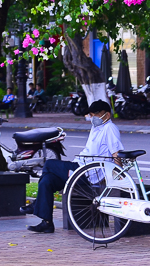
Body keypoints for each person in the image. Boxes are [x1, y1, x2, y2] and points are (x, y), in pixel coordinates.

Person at [21, 99, 123, 233]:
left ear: (107, 115)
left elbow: (117, 154)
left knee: (49, 164)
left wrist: (119, 176)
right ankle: (47, 223)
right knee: (47, 181)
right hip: (80, 167)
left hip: (88, 173)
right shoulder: (96, 127)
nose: (93, 118)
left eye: (96, 115)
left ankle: (36, 205)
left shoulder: (110, 128)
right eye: (91, 115)